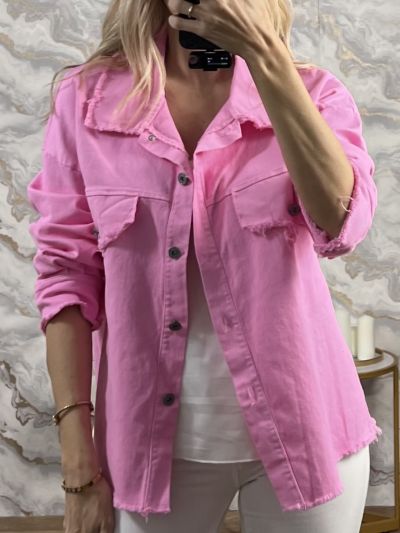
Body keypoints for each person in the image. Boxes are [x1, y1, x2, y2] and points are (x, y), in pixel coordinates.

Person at [27, 0, 382, 531]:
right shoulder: (87, 102)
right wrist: (78, 466)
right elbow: (64, 277)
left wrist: (265, 56)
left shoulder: (314, 93)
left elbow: (341, 228)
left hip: (310, 433)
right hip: (151, 450)